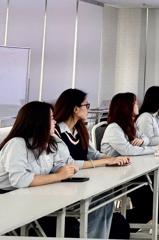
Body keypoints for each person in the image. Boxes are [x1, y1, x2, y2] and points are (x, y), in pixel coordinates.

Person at [53, 89, 131, 239]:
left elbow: (93, 154)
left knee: (106, 197)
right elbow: (69, 164)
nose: (89, 109)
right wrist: (105, 161)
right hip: (65, 185)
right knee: (99, 200)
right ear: (75, 109)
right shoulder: (57, 132)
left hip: (83, 180)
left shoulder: (80, 129)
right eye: (86, 105)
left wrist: (112, 159)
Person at [100, 92, 159, 236]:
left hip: (129, 169)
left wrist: (142, 142)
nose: (137, 105)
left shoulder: (131, 124)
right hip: (115, 175)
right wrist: (155, 149)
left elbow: (145, 138)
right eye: (134, 103)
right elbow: (129, 150)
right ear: (126, 107)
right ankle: (149, 222)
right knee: (153, 187)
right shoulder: (114, 128)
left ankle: (156, 222)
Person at [0, 102, 80, 237]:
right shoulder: (17, 144)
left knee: (69, 223)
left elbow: (54, 165)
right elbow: (20, 180)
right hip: (8, 201)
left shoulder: (45, 142)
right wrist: (59, 176)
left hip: (30, 196)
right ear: (39, 121)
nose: (55, 122)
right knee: (68, 226)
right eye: (51, 118)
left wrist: (65, 169)